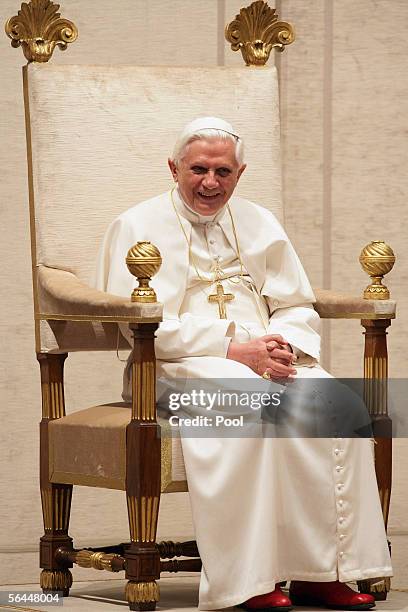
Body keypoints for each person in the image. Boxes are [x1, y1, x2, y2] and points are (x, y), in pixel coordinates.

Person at [95, 117, 392, 611]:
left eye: (223, 172)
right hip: (172, 367)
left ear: (240, 172)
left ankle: (321, 572)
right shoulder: (136, 227)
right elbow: (139, 325)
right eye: (198, 170)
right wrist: (234, 348)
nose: (211, 183)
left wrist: (284, 347)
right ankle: (248, 580)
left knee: (338, 405)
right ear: (173, 168)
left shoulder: (259, 222)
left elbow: (296, 302)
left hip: (263, 357)